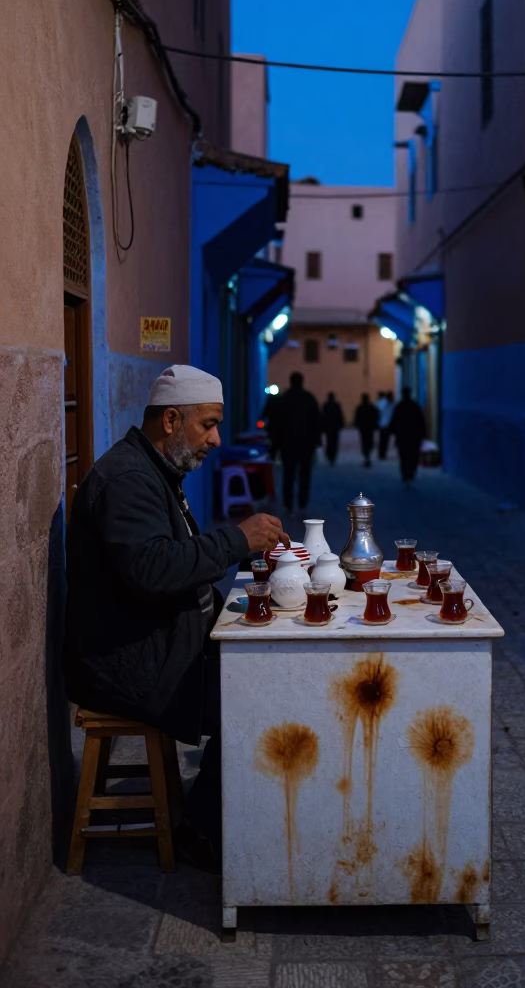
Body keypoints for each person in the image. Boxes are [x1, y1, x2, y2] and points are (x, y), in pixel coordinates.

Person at [63, 364, 289, 871]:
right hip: (130, 662)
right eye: (207, 425)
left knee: (263, 670)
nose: (215, 439)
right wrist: (236, 539)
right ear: (170, 420)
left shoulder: (155, 470)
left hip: (159, 642)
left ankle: (218, 811)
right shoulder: (127, 479)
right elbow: (152, 569)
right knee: (257, 699)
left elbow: (173, 561)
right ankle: (203, 828)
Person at [275, 371, 322, 512]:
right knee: (305, 474)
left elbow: (277, 425)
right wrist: (316, 442)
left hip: (287, 444)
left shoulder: (284, 399)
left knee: (288, 474)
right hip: (306, 445)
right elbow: (317, 422)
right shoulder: (309, 399)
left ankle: (288, 503)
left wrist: (275, 446)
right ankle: (302, 501)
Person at [389, 386, 427, 485]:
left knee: (404, 456)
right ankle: (410, 473)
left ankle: (405, 474)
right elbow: (421, 421)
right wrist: (422, 434)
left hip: (403, 436)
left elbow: (394, 421)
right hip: (413, 437)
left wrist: (394, 433)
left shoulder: (400, 406)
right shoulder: (414, 406)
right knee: (412, 456)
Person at [354, 392, 379, 469]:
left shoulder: (362, 408)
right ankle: (367, 456)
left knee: (366, 442)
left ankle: (366, 456)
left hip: (365, 428)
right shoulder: (369, 408)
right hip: (367, 428)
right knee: (367, 442)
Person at [321, 391, 345, 466]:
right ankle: (332, 456)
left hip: (330, 427)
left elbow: (323, 416)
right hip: (334, 427)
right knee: (333, 442)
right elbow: (340, 416)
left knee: (330, 442)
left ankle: (330, 455)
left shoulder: (326, 405)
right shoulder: (335, 405)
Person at [376, 390, 394, 460]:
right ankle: (381, 454)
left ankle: (383, 454)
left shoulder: (391, 403)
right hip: (383, 424)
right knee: (383, 440)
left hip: (387, 424)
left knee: (385, 440)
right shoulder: (383, 403)